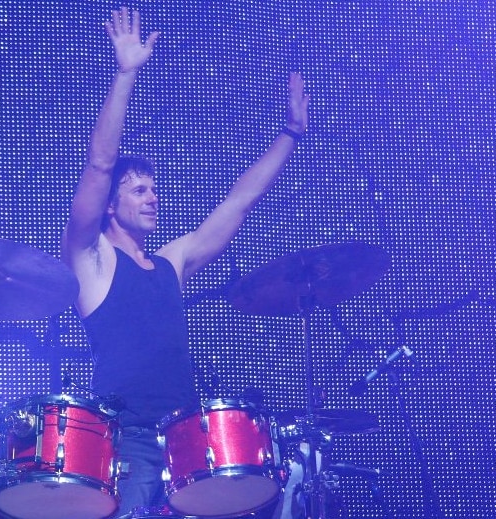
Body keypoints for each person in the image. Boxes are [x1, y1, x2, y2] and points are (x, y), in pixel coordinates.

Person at [60, 6, 310, 518]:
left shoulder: (170, 263)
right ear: (110, 204)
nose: (152, 198)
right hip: (125, 445)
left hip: (185, 440)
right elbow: (100, 163)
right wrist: (125, 73)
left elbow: (237, 205)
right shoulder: (90, 258)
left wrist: (290, 135)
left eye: (154, 189)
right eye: (138, 190)